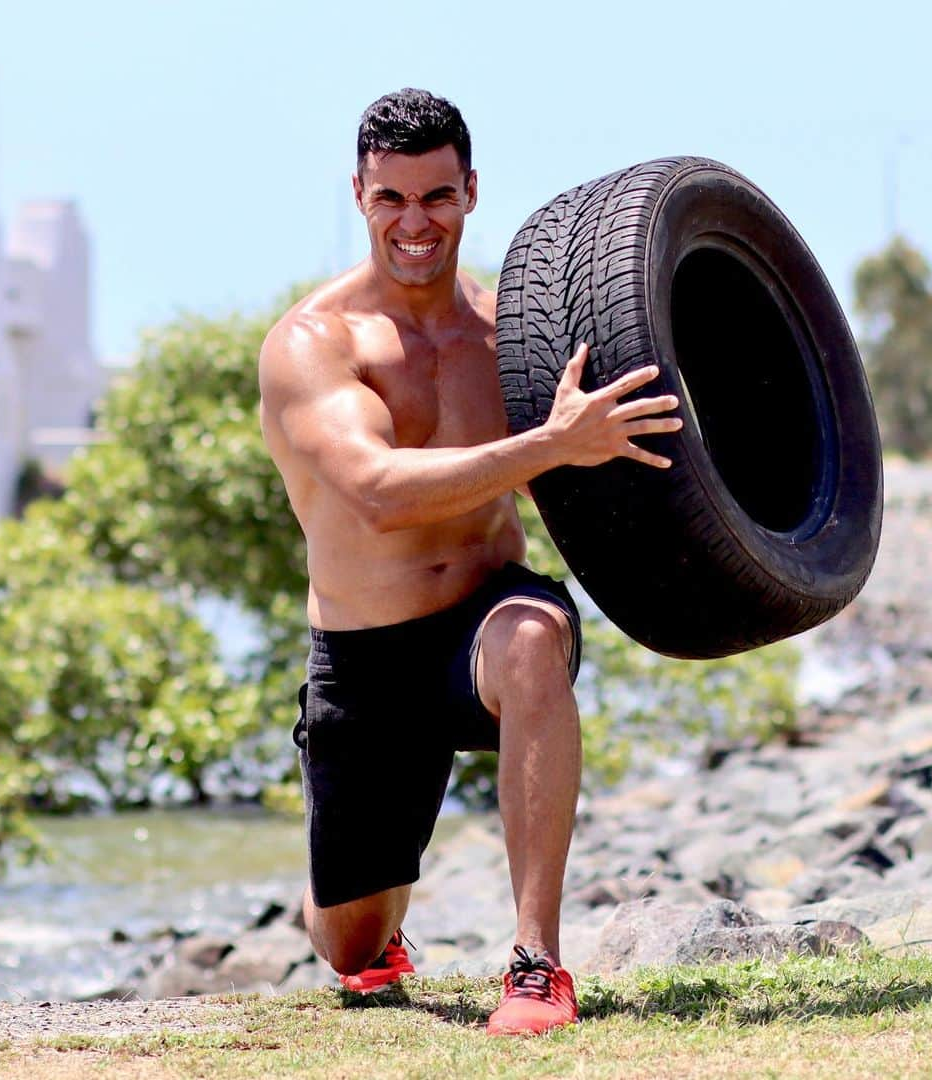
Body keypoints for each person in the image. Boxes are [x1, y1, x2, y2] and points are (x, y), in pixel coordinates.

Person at [258, 88, 682, 1035]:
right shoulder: (313, 348)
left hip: (485, 622)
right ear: (360, 196)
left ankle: (536, 965)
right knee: (352, 951)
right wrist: (548, 447)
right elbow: (374, 486)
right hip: (366, 658)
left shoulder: (511, 337)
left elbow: (598, 477)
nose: (416, 222)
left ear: (472, 192)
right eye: (392, 199)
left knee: (532, 637)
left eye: (438, 197)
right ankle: (379, 917)